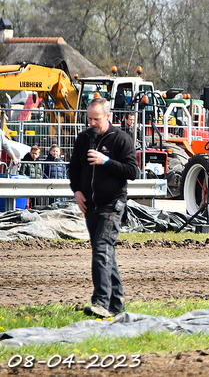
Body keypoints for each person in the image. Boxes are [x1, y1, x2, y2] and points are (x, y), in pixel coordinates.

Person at [69, 97, 138, 319]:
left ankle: (101, 302)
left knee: (101, 249)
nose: (92, 123)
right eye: (89, 118)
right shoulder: (83, 139)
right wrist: (77, 191)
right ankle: (117, 303)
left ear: (107, 116)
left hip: (113, 203)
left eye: (96, 119)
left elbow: (132, 172)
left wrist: (105, 161)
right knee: (105, 252)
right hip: (90, 205)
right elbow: (74, 169)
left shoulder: (121, 139)